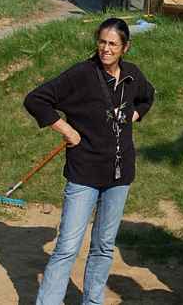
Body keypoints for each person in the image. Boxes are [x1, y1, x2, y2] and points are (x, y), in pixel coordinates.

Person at [24, 18, 155, 305]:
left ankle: (92, 301)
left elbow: (148, 96)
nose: (105, 49)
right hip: (84, 173)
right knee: (67, 246)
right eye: (102, 42)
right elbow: (35, 100)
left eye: (113, 44)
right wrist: (67, 130)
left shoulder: (132, 75)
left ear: (125, 47)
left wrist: (135, 114)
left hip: (120, 176)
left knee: (104, 246)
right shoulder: (81, 74)